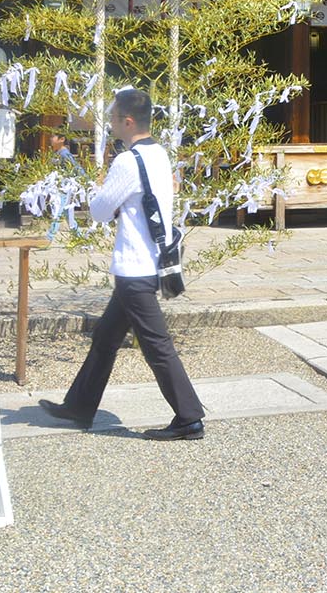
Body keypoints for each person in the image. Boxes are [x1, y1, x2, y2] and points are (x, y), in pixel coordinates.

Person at [40, 88, 205, 440]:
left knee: (157, 344)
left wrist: (104, 194)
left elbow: (99, 211)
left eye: (114, 118)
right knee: (105, 338)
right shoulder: (159, 154)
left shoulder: (127, 161)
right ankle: (78, 406)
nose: (111, 124)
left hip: (135, 268)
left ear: (127, 121)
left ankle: (189, 417)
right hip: (146, 263)